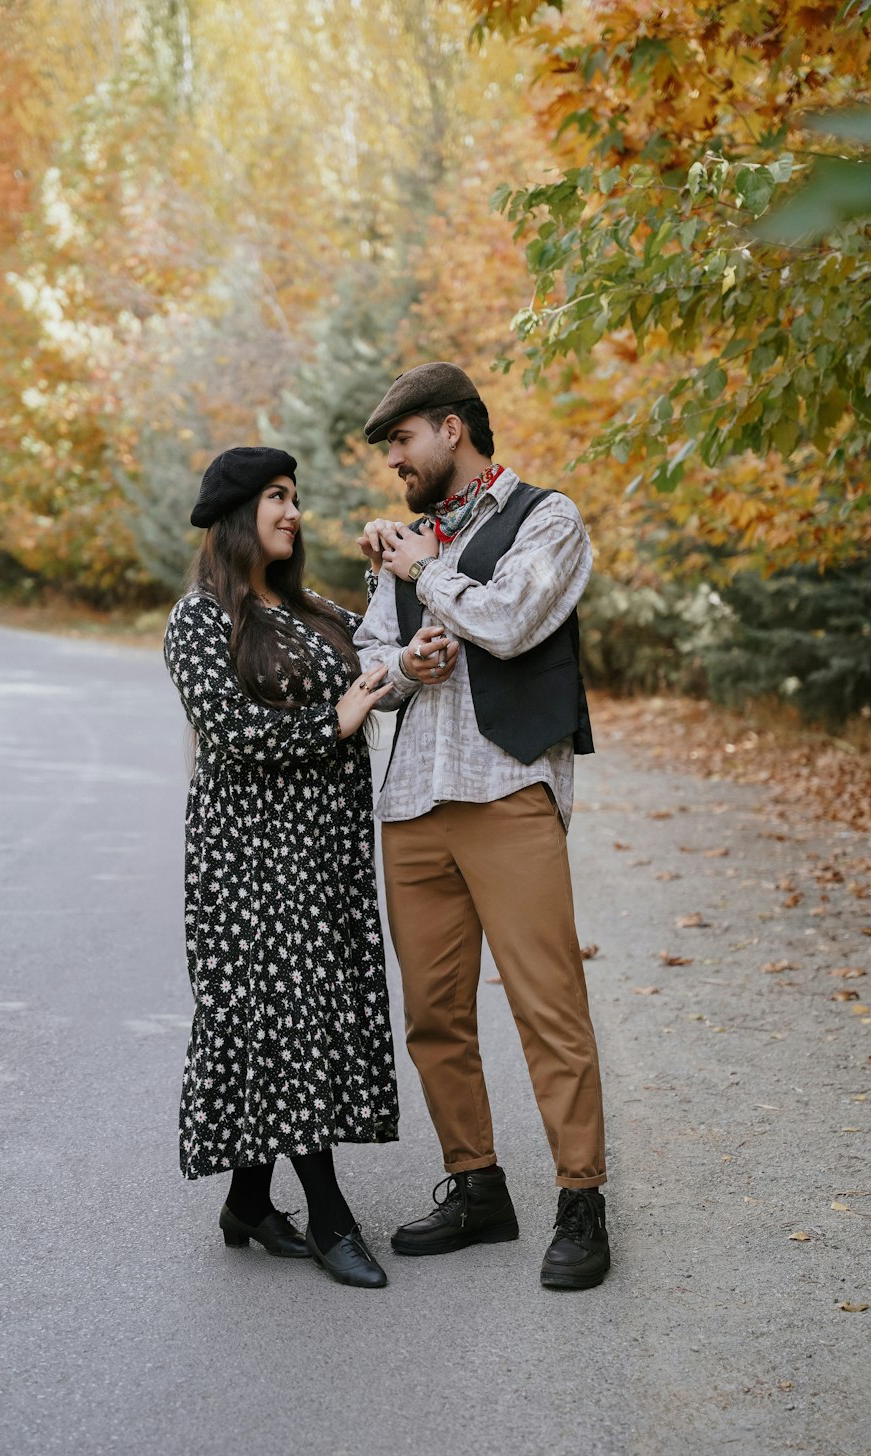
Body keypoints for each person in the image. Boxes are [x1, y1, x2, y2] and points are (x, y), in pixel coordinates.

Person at [354, 363, 610, 1290]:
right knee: (433, 1016)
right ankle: (477, 1187)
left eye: (403, 442)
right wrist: (410, 662)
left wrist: (428, 573)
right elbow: (371, 654)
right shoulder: (405, 544)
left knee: (550, 1007)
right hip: (413, 804)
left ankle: (582, 1200)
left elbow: (509, 621)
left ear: (452, 430)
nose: (395, 462)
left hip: (506, 793)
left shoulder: (550, 517)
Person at [163, 445, 398, 1290]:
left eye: (295, 497)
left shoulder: (308, 609)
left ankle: (248, 1205)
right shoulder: (198, 620)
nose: (292, 512)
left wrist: (396, 585)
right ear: (236, 516)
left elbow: (371, 669)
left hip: (326, 855)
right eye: (274, 497)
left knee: (296, 1019)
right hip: (250, 863)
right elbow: (229, 733)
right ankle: (332, 1216)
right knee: (290, 1019)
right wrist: (330, 726)